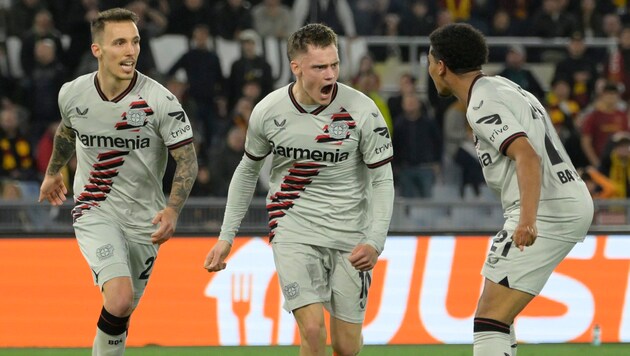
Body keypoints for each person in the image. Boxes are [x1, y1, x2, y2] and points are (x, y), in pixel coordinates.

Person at [204, 23, 394, 356]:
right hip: (293, 229)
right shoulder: (268, 110)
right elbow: (247, 172)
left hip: (350, 234)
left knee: (347, 347)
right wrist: (225, 237)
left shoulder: (363, 110)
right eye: (320, 67)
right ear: (296, 67)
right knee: (311, 329)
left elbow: (382, 180)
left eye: (334, 65)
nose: (330, 74)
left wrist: (375, 240)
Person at [37, 8, 198, 355]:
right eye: (120, 42)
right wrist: (53, 172)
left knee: (121, 310)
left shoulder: (160, 101)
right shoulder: (73, 93)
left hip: (145, 221)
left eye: (135, 41)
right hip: (95, 209)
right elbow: (67, 132)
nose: (130, 50)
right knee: (120, 297)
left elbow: (187, 159)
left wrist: (171, 210)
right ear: (98, 50)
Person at [427, 23, 593, 355]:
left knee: (489, 318)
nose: (429, 69)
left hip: (545, 209)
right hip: (561, 198)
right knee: (500, 314)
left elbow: (527, 156)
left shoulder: (481, 104)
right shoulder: (504, 87)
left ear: (441, 66)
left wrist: (527, 220)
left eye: (430, 61)